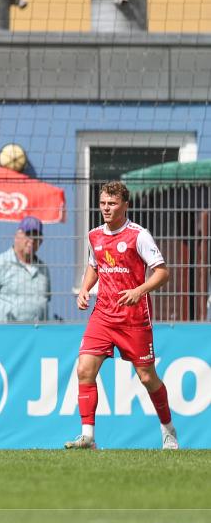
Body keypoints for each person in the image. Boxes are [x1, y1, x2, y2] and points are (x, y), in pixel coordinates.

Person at [66, 181, 176, 450]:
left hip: (133, 318)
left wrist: (140, 290)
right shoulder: (94, 236)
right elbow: (95, 265)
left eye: (112, 203)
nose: (106, 208)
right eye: (103, 202)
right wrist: (84, 289)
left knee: (147, 377)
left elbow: (162, 272)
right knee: (84, 369)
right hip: (103, 314)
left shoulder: (138, 236)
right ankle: (88, 437)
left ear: (125, 206)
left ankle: (168, 429)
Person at [0, 216, 51, 322]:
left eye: (36, 236)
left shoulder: (43, 270)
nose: (32, 240)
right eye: (28, 234)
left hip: (36, 334)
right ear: (17, 236)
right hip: (5, 333)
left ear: (41, 241)